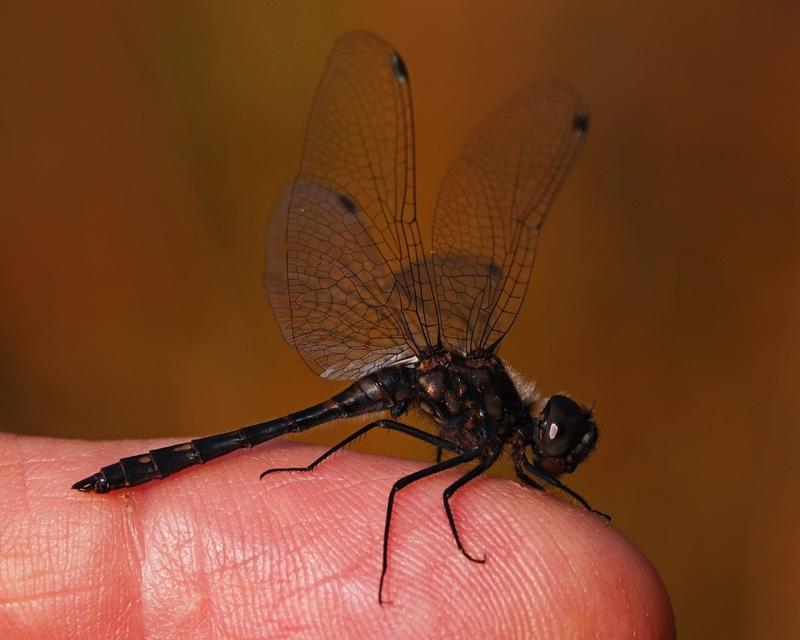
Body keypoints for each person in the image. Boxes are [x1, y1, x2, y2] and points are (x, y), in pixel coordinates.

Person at [0, 432, 675, 638]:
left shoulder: (495, 424)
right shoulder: (489, 417)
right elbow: (430, 490)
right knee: (404, 485)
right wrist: (395, 575)